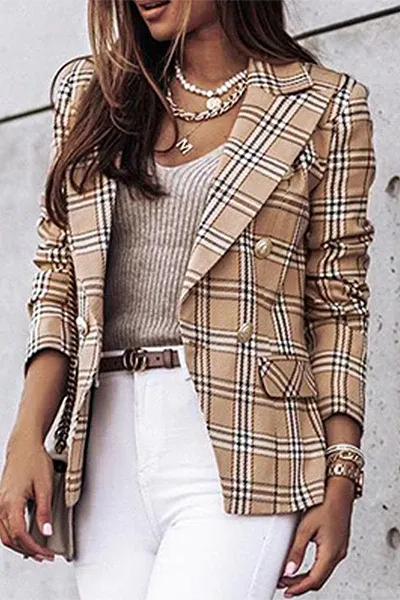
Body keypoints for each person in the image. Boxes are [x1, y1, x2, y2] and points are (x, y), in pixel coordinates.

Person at [0, 0, 375, 598]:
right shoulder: (92, 92)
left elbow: (337, 306)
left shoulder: (324, 104)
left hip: (244, 444)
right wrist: (27, 435)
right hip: (104, 451)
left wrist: (341, 477)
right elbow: (58, 277)